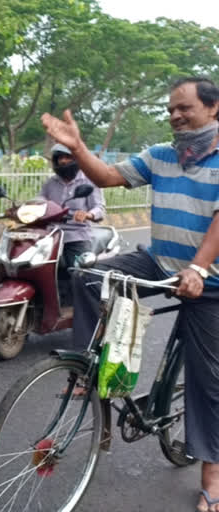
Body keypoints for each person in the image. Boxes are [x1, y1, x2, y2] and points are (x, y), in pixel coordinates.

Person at [42, 76, 219, 512]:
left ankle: (213, 475)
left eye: (185, 108)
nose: (175, 115)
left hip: (208, 280)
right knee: (86, 277)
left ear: (213, 109)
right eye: (171, 109)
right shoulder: (161, 156)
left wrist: (198, 268)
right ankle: (90, 371)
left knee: (208, 380)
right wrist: (78, 147)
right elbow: (106, 175)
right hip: (158, 262)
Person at [39, 143, 105, 302]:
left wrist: (88, 214)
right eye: (60, 157)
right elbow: (40, 200)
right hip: (51, 235)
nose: (63, 161)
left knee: (80, 275)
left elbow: (100, 208)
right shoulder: (50, 183)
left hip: (76, 235)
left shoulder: (88, 181)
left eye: (67, 157)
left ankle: (87, 307)